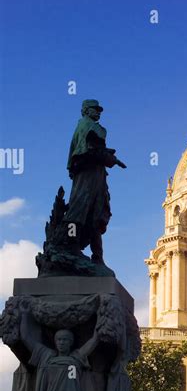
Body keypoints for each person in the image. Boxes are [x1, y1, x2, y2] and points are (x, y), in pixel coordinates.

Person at [65, 99, 126, 266]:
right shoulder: (87, 126)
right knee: (80, 209)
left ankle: (97, 256)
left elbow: (93, 149)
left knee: (96, 213)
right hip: (88, 174)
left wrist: (107, 157)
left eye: (99, 109)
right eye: (95, 109)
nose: (98, 112)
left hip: (95, 174)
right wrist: (109, 158)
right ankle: (73, 246)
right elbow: (90, 151)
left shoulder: (88, 126)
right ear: (85, 110)